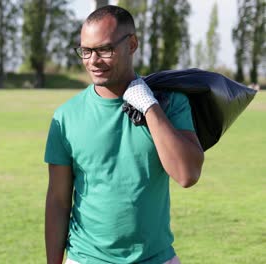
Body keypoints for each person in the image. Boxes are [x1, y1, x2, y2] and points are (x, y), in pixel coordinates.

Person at [44, 5, 204, 264]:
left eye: (104, 49)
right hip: (85, 259)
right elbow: (58, 202)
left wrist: (150, 107)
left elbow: (187, 175)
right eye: (86, 51)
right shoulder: (66, 116)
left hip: (156, 258)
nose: (93, 61)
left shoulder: (169, 103)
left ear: (131, 44)